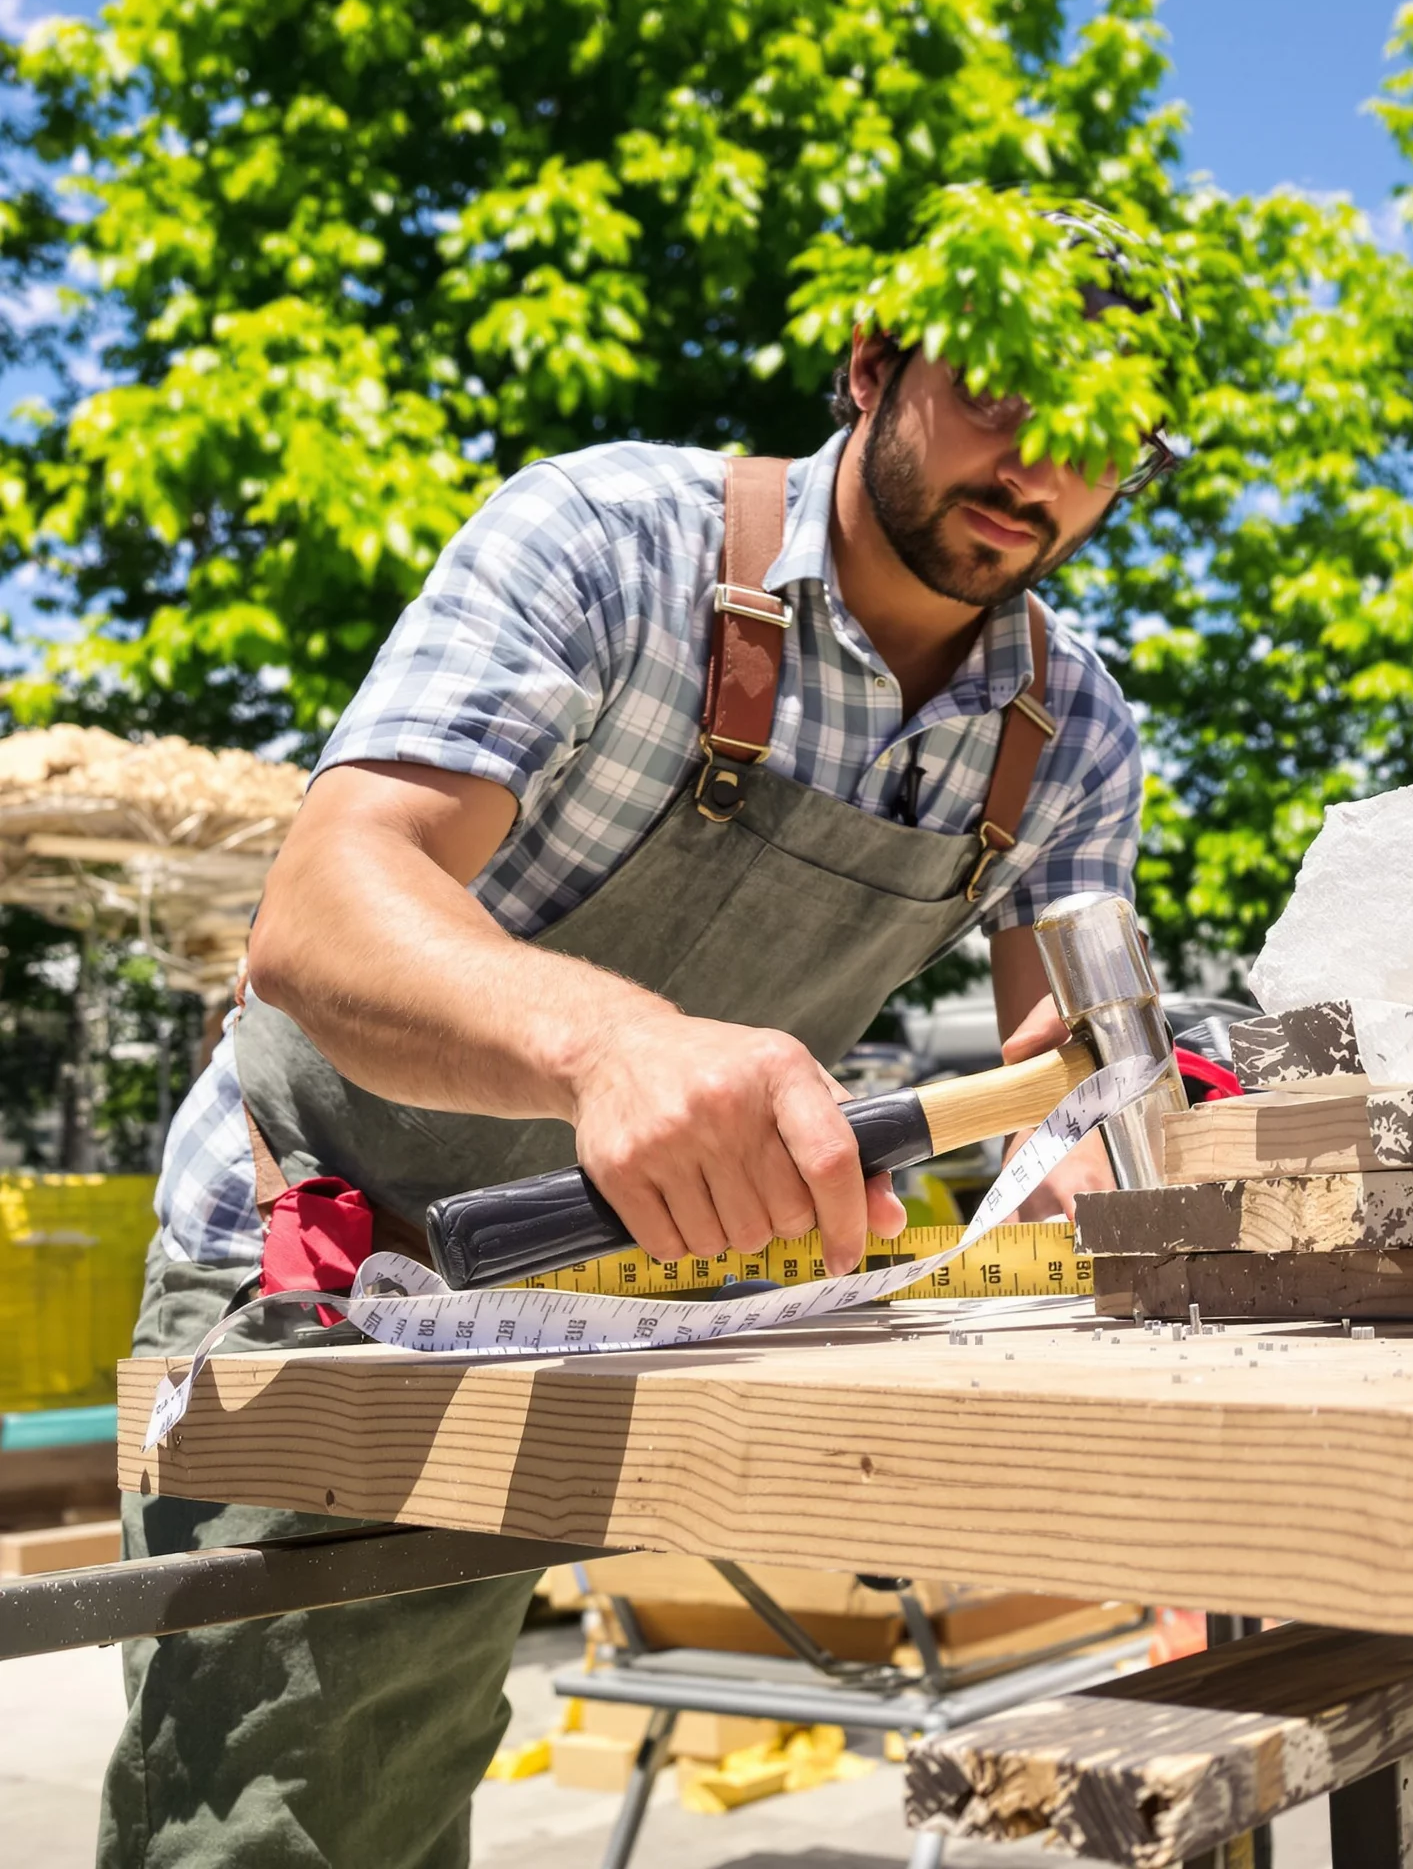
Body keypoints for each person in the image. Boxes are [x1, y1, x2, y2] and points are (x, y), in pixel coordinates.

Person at [98, 211, 1182, 1869]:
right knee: (297, 1829)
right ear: (876, 362)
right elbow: (320, 913)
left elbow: (1077, 1057)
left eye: (1103, 436)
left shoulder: (1070, 725)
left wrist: (1096, 1158)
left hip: (646, 1299)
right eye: (1006, 386)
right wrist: (611, 1045)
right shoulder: (610, 540)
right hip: (334, 1280)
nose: (1039, 463)